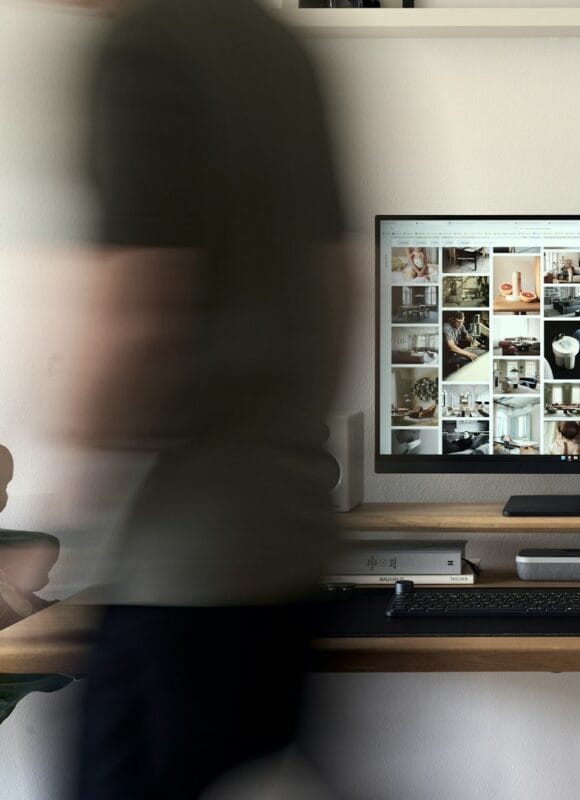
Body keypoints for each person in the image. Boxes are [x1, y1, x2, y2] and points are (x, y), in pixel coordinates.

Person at [73, 1, 349, 797]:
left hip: (183, 563)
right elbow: (340, 284)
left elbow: (139, 308)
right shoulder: (276, 39)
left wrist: (74, 490)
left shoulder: (144, 44)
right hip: (286, 540)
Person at [443, 310, 479, 377]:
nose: (460, 324)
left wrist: (472, 340)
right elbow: (451, 346)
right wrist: (468, 354)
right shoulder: (446, 327)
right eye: (458, 322)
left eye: (462, 322)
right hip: (445, 357)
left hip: (454, 354)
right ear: (451, 319)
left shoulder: (460, 325)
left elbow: (465, 335)